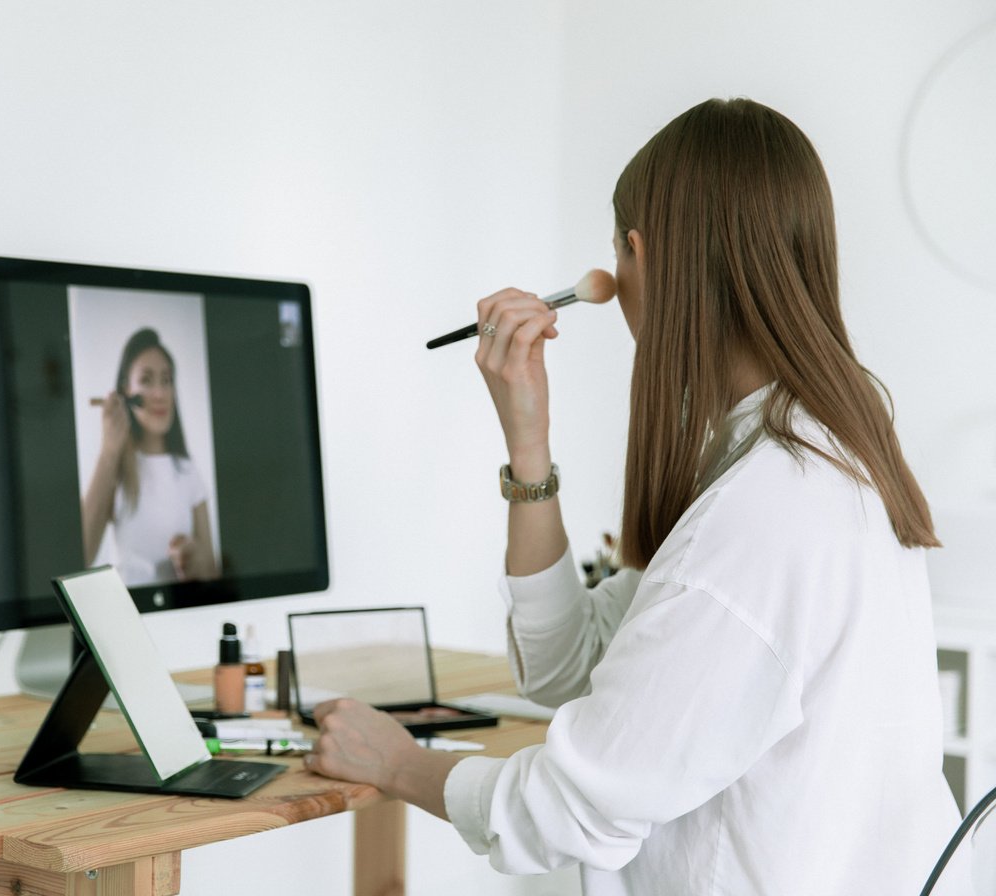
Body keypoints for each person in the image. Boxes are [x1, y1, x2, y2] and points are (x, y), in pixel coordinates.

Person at [304, 98, 963, 894]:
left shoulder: (767, 513)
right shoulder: (819, 450)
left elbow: (566, 811)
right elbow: (568, 663)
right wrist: (528, 446)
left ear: (637, 252)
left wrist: (401, 762)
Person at [81, 327, 217, 586]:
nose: (159, 393)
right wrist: (110, 451)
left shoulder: (188, 472)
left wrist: (196, 558)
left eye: (166, 381)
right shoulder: (114, 469)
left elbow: (212, 569)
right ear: (125, 392)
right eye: (146, 380)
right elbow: (80, 554)